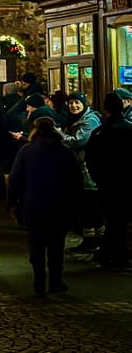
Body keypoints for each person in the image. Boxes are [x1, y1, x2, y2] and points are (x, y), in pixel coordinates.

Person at [8, 117, 83, 295]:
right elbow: (75, 180)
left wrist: (11, 202)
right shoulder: (64, 151)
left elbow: (15, 179)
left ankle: (39, 280)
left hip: (33, 204)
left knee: (36, 245)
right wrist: (75, 205)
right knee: (56, 245)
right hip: (59, 205)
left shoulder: (27, 151)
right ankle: (56, 280)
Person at [87, 92, 132, 270]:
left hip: (107, 183)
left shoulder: (100, 132)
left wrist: (97, 178)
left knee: (113, 221)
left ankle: (112, 255)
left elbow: (90, 158)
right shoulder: (128, 129)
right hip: (127, 182)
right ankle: (119, 256)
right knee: (122, 221)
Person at [60, 93, 103, 256]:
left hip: (88, 170)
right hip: (80, 170)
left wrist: (60, 135)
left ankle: (97, 241)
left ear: (84, 104)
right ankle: (90, 241)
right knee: (86, 209)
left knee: (92, 207)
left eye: (77, 102)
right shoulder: (74, 120)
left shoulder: (89, 120)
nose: (74, 106)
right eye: (71, 103)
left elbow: (78, 141)